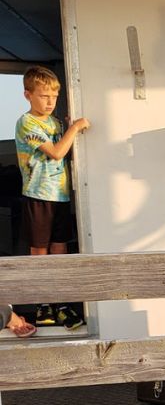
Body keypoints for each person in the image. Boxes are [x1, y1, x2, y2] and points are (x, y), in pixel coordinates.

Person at [15, 66, 90, 331]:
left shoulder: (56, 123)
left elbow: (64, 142)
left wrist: (67, 127)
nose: (49, 102)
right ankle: (42, 304)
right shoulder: (27, 123)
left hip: (60, 196)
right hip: (38, 197)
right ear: (28, 95)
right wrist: (77, 127)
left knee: (60, 250)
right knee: (41, 253)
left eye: (53, 97)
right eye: (43, 95)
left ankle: (60, 303)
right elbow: (57, 152)